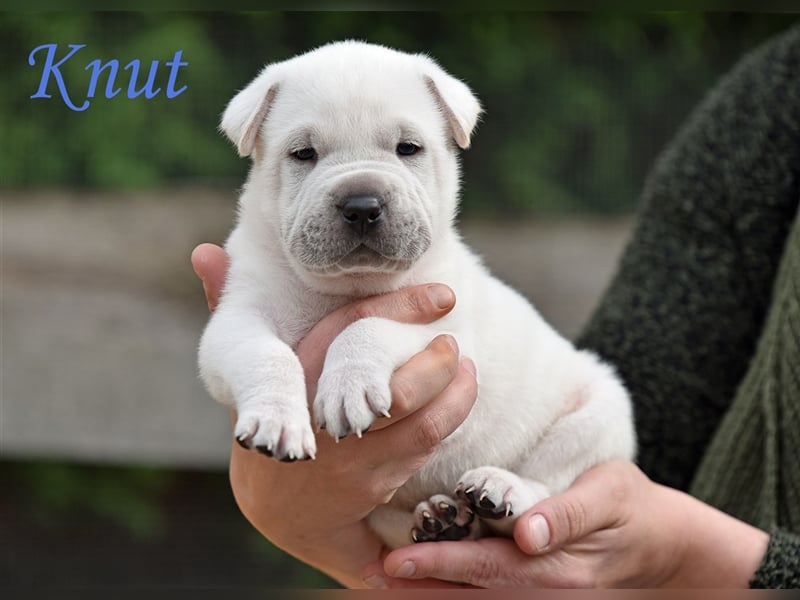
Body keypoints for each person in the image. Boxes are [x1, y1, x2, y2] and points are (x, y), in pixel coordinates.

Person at [191, 24, 800, 588]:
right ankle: (445, 527)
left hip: (544, 452)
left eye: (406, 148)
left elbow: (442, 352)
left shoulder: (441, 274)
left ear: (449, 143)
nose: (361, 197)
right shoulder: (263, 258)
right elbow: (232, 343)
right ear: (258, 148)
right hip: (397, 521)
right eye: (305, 155)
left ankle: (527, 493)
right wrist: (270, 393)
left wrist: (363, 344)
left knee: (602, 401)